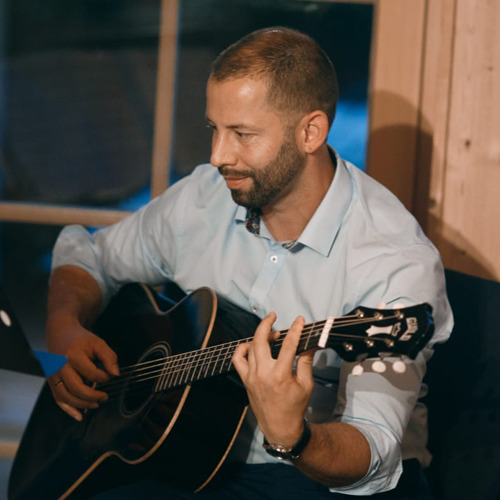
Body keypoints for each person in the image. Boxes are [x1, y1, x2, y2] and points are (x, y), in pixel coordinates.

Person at [46, 26, 453, 498]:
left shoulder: (394, 263)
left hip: (322, 476)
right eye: (214, 129)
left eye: (242, 134)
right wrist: (64, 326)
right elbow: (91, 256)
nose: (218, 156)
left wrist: (293, 436)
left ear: (310, 132)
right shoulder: (203, 198)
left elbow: (373, 453)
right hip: (194, 449)